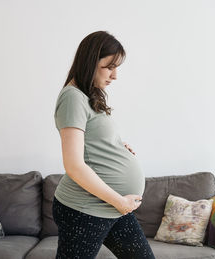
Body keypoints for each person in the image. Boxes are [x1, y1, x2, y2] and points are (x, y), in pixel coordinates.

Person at [52, 31, 155, 259]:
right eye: (109, 67)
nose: (115, 75)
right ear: (91, 62)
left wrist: (116, 147)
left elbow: (92, 140)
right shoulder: (72, 98)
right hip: (86, 209)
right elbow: (74, 165)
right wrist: (120, 202)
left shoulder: (89, 96)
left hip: (111, 206)